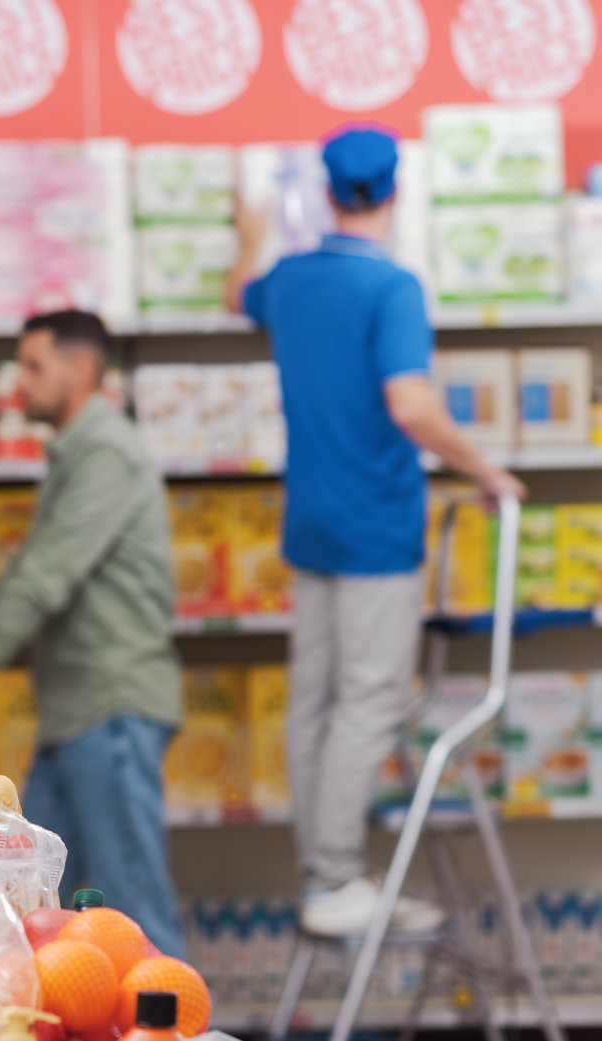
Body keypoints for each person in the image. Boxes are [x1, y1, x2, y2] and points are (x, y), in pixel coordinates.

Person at [224, 125, 526, 938]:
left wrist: (250, 239)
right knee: (368, 700)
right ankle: (334, 879)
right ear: (395, 193)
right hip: (376, 528)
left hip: (311, 523)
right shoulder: (393, 288)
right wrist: (487, 471)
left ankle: (318, 871)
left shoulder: (288, 279)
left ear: (328, 193)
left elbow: (235, 294)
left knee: (314, 700)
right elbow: (411, 405)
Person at [0, 309, 186, 956]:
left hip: (110, 709)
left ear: (81, 368)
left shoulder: (106, 452)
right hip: (75, 713)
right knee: (20, 904)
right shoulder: (78, 453)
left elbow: (41, 578)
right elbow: (33, 578)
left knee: (134, 907)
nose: (19, 384)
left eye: (34, 366)